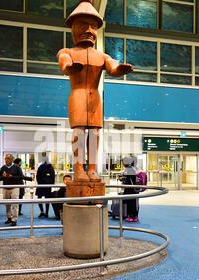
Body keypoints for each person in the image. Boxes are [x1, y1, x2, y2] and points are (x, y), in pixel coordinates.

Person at [57, 0, 133, 182]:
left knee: (96, 133)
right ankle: (78, 169)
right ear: (74, 28)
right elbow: (64, 63)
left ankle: (92, 168)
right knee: (79, 132)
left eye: (93, 27)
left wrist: (119, 68)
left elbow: (112, 66)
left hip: (95, 98)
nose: (90, 31)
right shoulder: (67, 51)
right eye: (84, 25)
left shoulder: (101, 55)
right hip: (77, 95)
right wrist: (69, 66)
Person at [0, 154, 29, 226]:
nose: (6, 160)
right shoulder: (3, 168)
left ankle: (14, 219)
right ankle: (9, 218)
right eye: (5, 158)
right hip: (5, 188)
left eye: (8, 158)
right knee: (7, 205)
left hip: (14, 188)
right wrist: (3, 176)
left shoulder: (17, 167)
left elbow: (21, 177)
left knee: (15, 204)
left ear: (12, 159)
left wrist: (12, 177)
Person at [35, 153, 55, 218]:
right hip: (44, 186)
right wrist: (50, 184)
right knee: (43, 199)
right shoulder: (48, 167)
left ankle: (44, 212)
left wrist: (41, 183)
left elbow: (37, 176)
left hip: (43, 185)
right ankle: (44, 212)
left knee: (43, 199)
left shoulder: (48, 167)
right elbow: (52, 177)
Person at [121, 157, 139, 223]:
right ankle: (134, 216)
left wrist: (123, 178)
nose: (122, 164)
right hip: (133, 189)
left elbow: (129, 180)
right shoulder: (132, 168)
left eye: (123, 162)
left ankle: (131, 217)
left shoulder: (129, 169)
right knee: (134, 203)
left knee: (130, 203)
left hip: (130, 189)